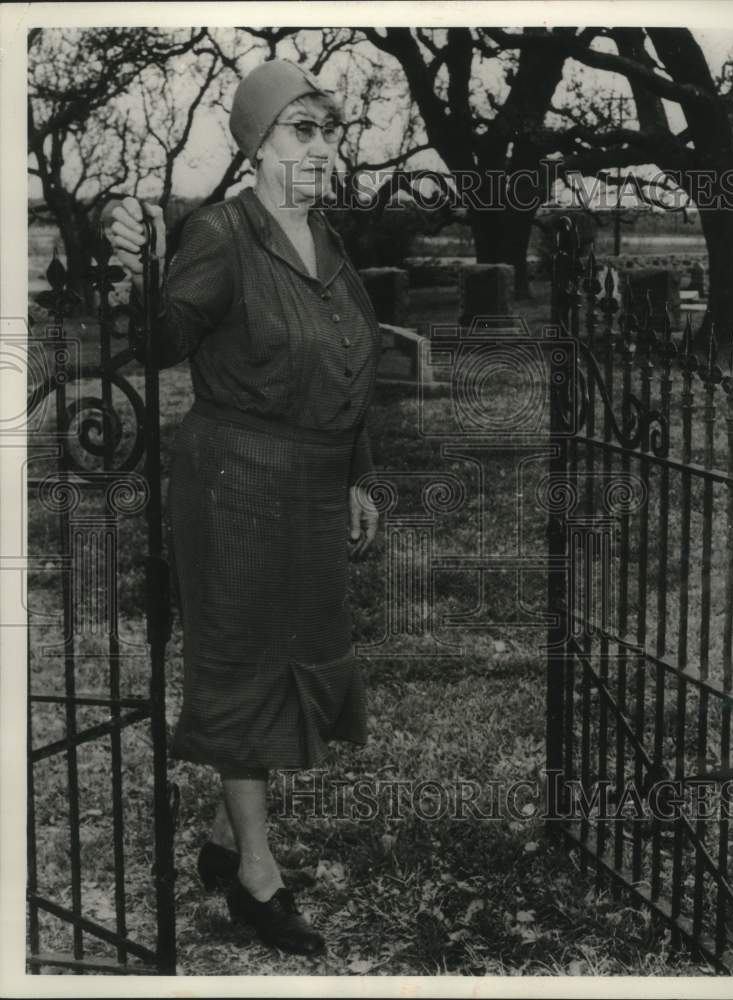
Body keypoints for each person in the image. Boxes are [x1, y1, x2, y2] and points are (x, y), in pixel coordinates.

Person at [108, 59, 381, 957]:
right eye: (300, 130)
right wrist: (137, 280)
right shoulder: (223, 234)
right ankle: (257, 879)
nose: (320, 148)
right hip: (235, 486)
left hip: (310, 486)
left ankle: (225, 842)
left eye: (329, 131)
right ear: (257, 146)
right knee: (243, 668)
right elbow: (164, 337)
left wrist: (355, 476)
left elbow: (350, 364)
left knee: (298, 658)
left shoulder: (330, 244)